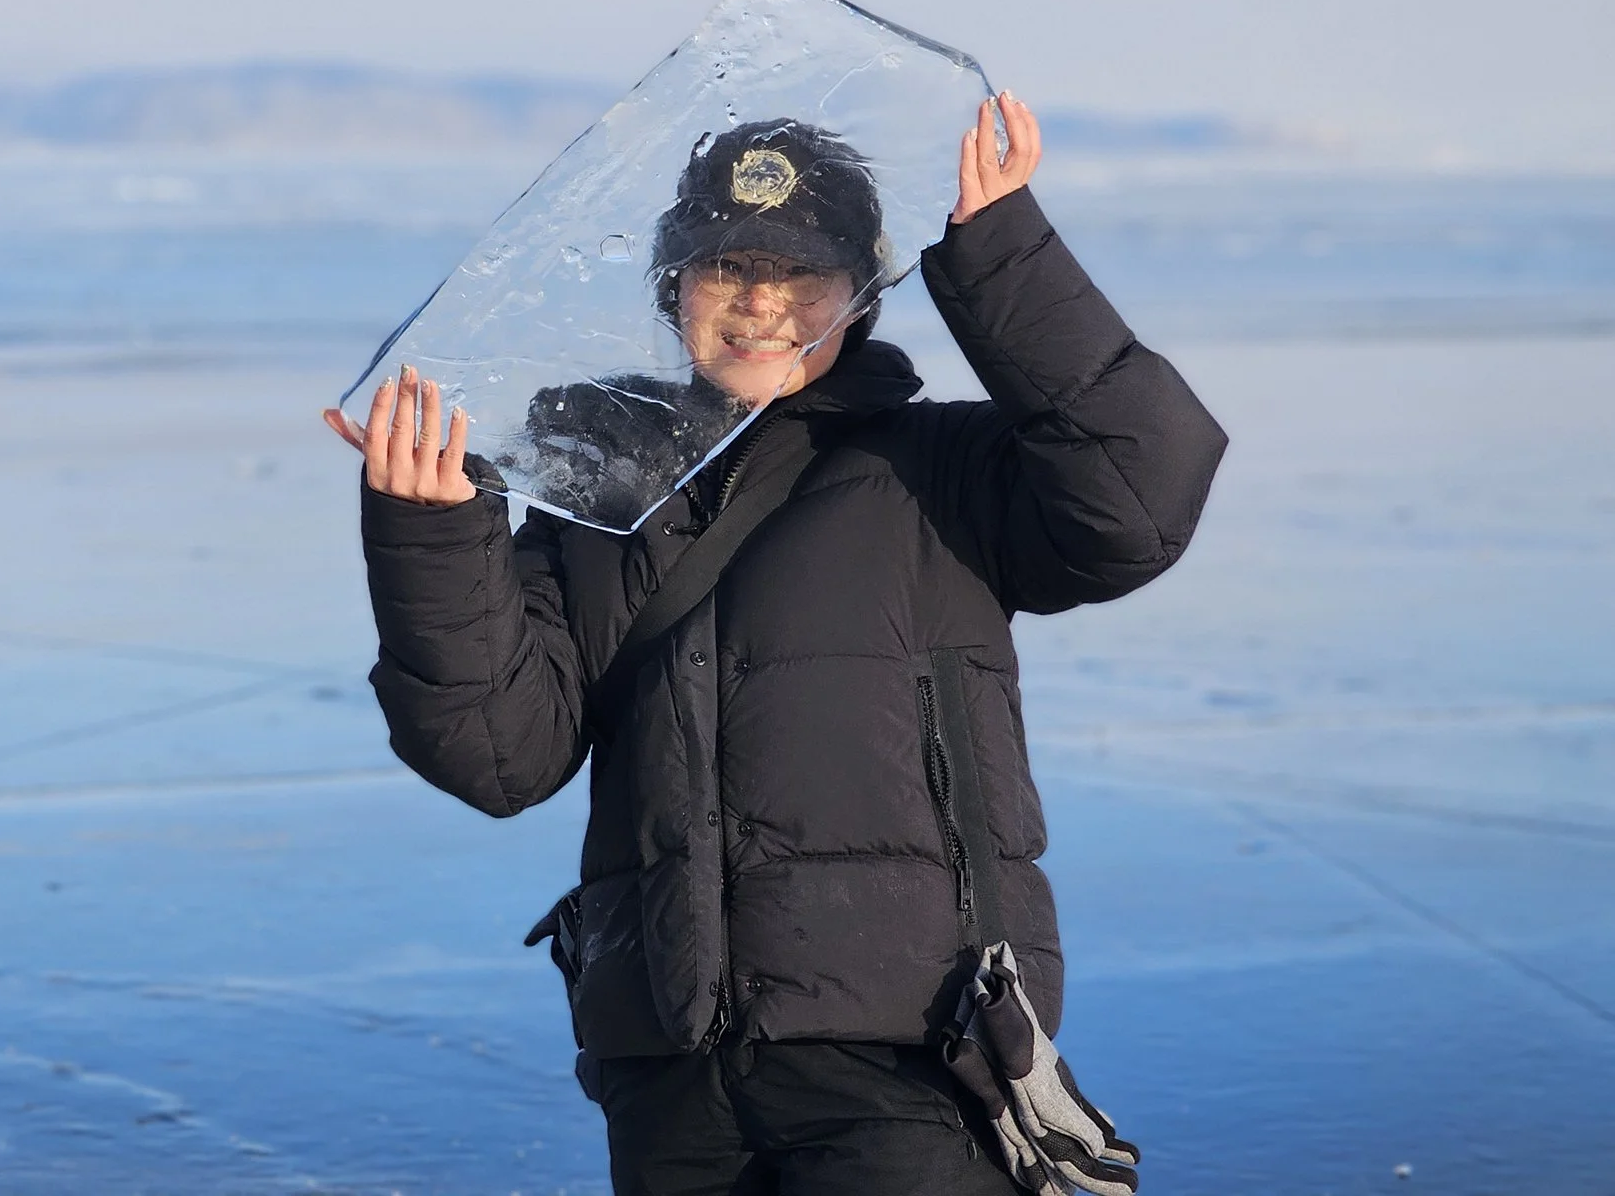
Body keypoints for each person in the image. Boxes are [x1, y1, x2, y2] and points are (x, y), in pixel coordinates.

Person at [321, 94, 1228, 1194]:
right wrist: (431, 536)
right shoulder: (604, 498)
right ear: (673, 287)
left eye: (800, 273)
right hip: (669, 1072)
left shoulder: (940, 471)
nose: (760, 303)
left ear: (859, 292)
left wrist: (1004, 259)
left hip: (916, 1054)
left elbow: (1141, 493)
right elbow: (495, 755)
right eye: (726, 267)